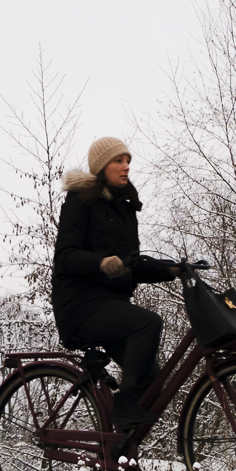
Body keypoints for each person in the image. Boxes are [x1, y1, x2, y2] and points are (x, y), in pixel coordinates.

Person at [52, 136, 179, 428]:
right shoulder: (80, 200)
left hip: (111, 306)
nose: (126, 167)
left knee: (152, 383)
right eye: (118, 161)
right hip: (80, 305)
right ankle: (123, 405)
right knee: (148, 322)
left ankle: (121, 462)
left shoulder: (125, 209)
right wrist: (100, 262)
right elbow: (65, 257)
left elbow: (131, 266)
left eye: (128, 161)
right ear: (101, 167)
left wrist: (173, 270)